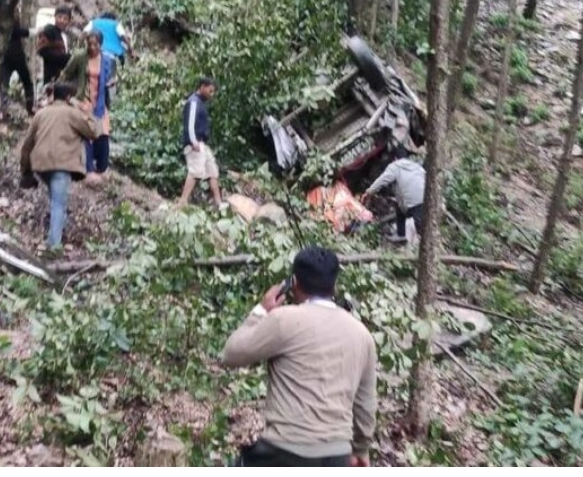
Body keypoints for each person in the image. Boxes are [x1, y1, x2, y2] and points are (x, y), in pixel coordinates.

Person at [223, 246, 377, 467]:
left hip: (284, 451)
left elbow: (232, 354)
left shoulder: (283, 320)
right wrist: (361, 449)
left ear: (293, 282)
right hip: (337, 454)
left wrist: (261, 310)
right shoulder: (362, 334)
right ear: (334, 285)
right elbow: (365, 405)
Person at [19, 81, 98, 251]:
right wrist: (85, 111)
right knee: (58, 203)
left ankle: (60, 231)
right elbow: (94, 131)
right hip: (61, 165)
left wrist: (25, 170)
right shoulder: (72, 114)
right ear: (69, 97)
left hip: (40, 165)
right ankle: (53, 246)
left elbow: (27, 144)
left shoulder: (41, 113)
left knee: (57, 200)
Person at [57, 29, 114, 181]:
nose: (92, 47)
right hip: (84, 101)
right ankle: (88, 169)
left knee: (103, 134)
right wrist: (62, 92)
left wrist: (111, 84)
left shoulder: (106, 60)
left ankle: (102, 168)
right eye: (89, 44)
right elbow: (65, 74)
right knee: (86, 135)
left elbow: (110, 78)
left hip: (100, 102)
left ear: (100, 45)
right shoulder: (80, 57)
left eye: (95, 45)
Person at [360, 144, 426, 242]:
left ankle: (405, 237)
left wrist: (368, 192)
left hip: (412, 202)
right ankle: (404, 236)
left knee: (420, 227)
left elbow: (382, 180)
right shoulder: (415, 166)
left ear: (394, 158)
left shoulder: (395, 166)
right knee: (401, 211)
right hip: (425, 198)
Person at [0, 0, 35, 116]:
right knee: (9, 84)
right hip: (11, 56)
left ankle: (5, 110)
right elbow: (19, 32)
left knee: (6, 84)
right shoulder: (3, 22)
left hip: (9, 57)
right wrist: (35, 31)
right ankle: (7, 109)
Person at [179, 77, 224, 208]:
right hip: (195, 143)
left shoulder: (201, 103)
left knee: (212, 171)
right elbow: (190, 123)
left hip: (202, 143)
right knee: (195, 171)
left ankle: (218, 203)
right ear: (202, 87)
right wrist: (193, 141)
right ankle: (182, 201)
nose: (212, 94)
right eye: (210, 91)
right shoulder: (193, 102)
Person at [36, 24, 70, 89]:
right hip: (48, 77)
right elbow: (58, 58)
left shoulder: (61, 39)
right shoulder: (44, 48)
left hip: (56, 74)